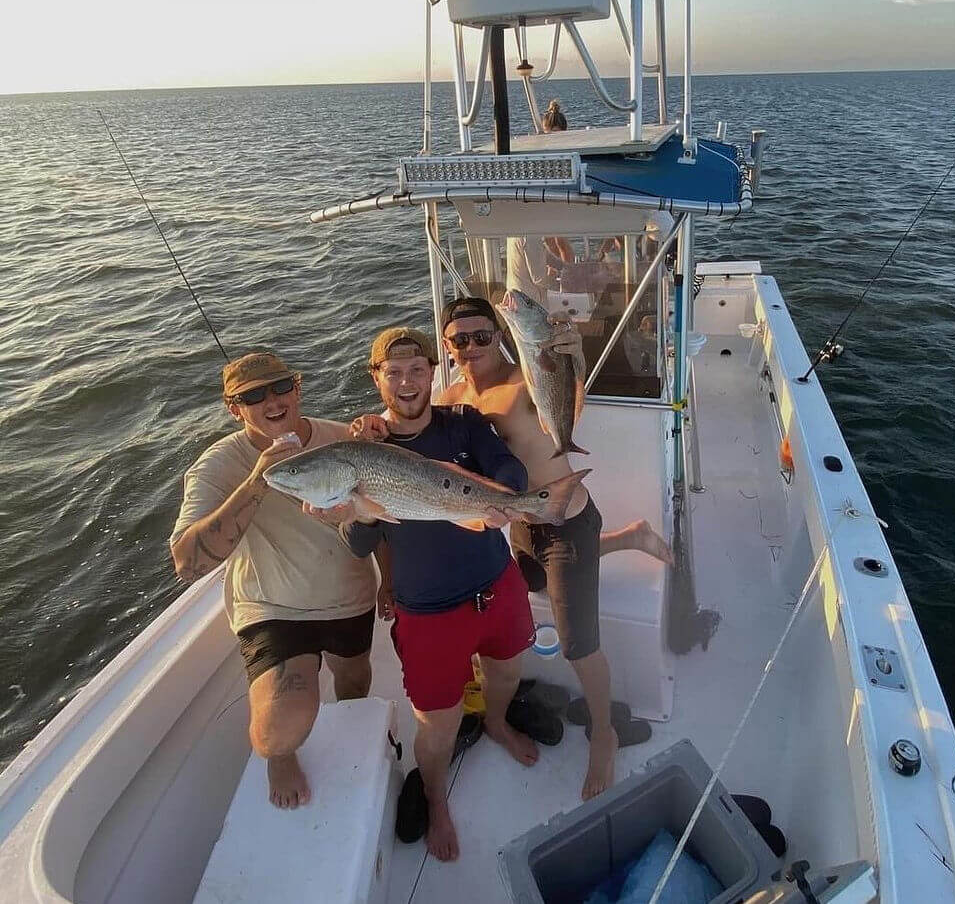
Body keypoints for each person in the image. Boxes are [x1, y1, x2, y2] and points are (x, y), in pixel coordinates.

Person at [436, 297, 672, 800]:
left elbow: (569, 399)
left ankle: (603, 734)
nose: (472, 346)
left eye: (482, 335)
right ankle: (632, 537)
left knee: (576, 642)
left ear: (500, 334)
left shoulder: (526, 379)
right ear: (448, 346)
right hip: (522, 525)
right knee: (530, 586)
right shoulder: (452, 395)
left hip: (566, 520)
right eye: (461, 339)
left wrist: (573, 357)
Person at [332, 327, 541, 863]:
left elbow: (505, 464)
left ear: (433, 372)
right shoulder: (365, 451)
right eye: (393, 372)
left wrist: (505, 497)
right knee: (436, 719)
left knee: (508, 673)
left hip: (497, 584)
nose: (406, 383)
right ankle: (433, 794)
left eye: (417, 370)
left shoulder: (464, 423)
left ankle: (495, 721)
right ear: (376, 378)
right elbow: (359, 543)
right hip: (428, 611)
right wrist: (356, 510)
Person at [169, 352, 378, 810]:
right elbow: (187, 563)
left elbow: (379, 518)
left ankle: (351, 730)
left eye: (282, 386)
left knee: (355, 681)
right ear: (233, 408)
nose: (273, 400)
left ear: (298, 388)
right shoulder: (218, 464)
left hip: (349, 595)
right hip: (273, 607)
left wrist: (394, 584)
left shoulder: (341, 438)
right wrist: (261, 479)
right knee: (277, 732)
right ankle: (280, 760)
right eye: (253, 395)